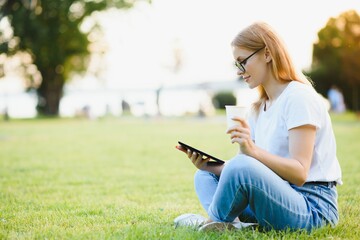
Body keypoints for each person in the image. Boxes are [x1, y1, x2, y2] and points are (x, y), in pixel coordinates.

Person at [174, 22, 342, 232]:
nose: (239, 71)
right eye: (236, 65)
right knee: (205, 176)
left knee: (240, 164)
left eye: (242, 61)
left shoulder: (298, 97)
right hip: (276, 199)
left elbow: (299, 172)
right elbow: (246, 173)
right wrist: (209, 165)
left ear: (268, 54)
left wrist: (251, 151)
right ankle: (234, 226)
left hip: (312, 207)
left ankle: (212, 223)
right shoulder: (257, 108)